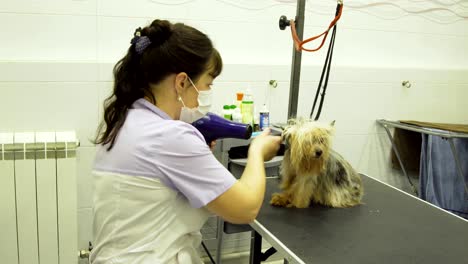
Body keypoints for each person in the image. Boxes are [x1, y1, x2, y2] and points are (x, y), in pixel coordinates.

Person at [90, 19, 282, 264]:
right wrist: (256, 152)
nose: (206, 94)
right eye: (207, 85)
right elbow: (245, 209)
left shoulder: (122, 121)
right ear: (182, 82)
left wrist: (195, 154)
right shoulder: (172, 137)